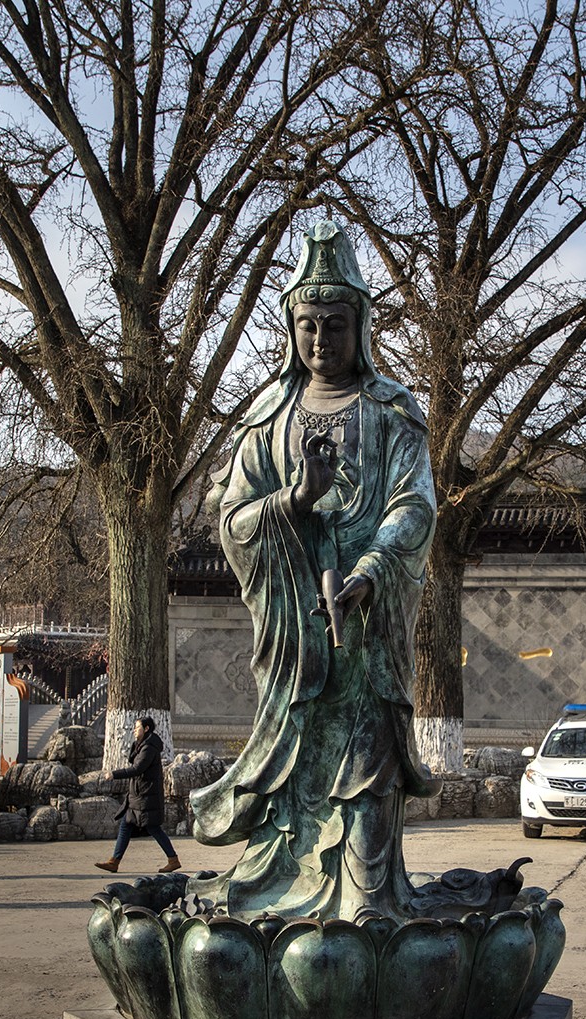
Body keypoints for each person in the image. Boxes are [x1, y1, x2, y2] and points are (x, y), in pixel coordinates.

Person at [188, 222, 438, 920]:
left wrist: (374, 568)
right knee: (295, 771)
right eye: (308, 325)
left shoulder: (392, 412)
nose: (321, 339)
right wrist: (294, 500)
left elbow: (414, 505)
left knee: (365, 772)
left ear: (361, 326)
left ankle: (366, 900)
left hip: (366, 633)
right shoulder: (266, 418)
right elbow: (233, 518)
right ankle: (282, 887)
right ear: (291, 328)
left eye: (335, 324)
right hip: (296, 635)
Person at [95, 716, 180, 875]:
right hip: (138, 795)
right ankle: (114, 861)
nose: (134, 730)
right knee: (126, 825)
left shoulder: (149, 748)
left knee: (153, 828)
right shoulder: (143, 745)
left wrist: (114, 774)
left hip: (146, 796)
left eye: (137, 727)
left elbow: (137, 769)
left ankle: (173, 859)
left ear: (146, 729)